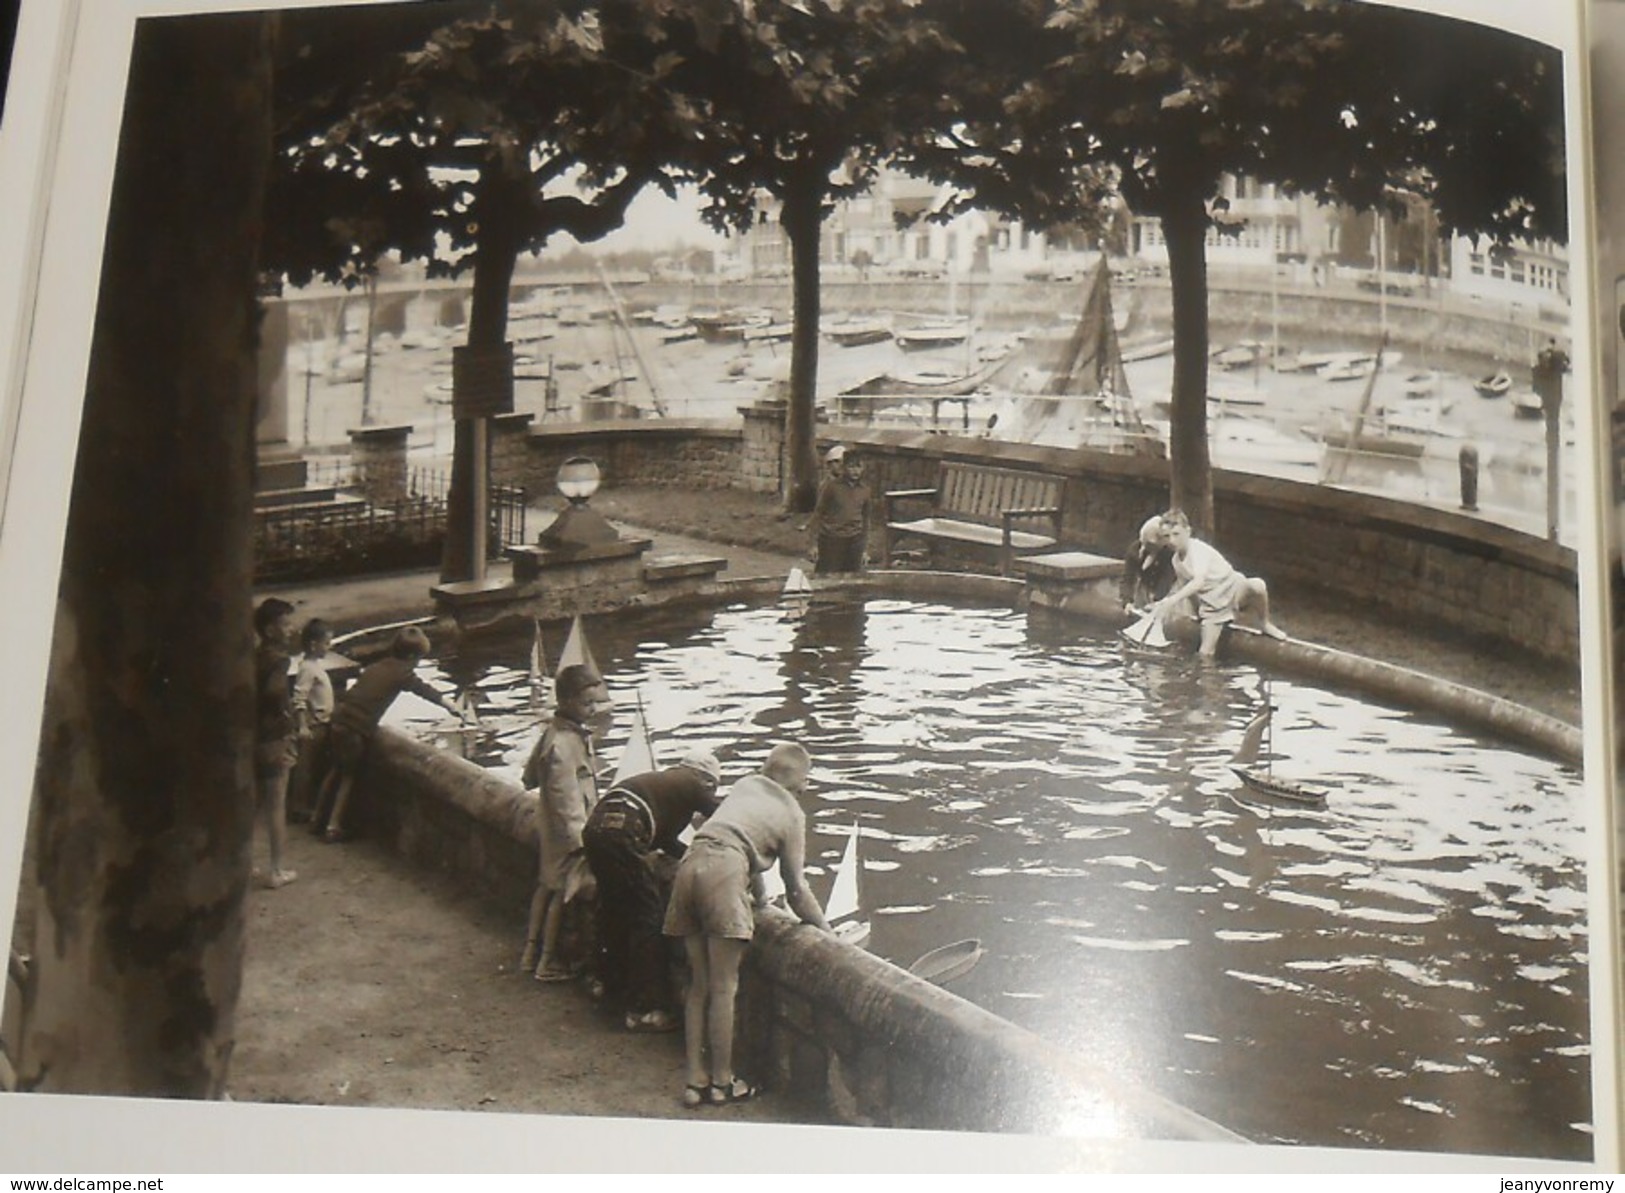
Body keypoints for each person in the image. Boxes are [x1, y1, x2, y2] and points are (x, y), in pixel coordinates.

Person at [662, 740, 831, 1108]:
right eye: (806, 781)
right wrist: (828, 932)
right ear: (797, 781)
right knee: (724, 988)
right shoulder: (792, 814)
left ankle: (695, 1081)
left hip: (690, 865)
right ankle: (722, 1082)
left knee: (699, 985)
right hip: (723, 873)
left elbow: (740, 839)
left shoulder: (744, 786)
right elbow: (797, 890)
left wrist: (759, 897)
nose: (806, 788)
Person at [584, 750, 725, 1033]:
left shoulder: (663, 787)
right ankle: (645, 1007)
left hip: (596, 826)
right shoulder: (692, 783)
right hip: (625, 830)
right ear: (705, 779)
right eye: (712, 786)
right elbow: (727, 816)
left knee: (613, 906)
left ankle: (605, 983)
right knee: (647, 916)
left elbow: (665, 841)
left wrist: (692, 856)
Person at [312, 625, 469, 842]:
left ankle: (316, 816)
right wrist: (450, 706)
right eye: (419, 659)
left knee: (334, 770)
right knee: (348, 777)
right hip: (356, 728)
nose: (417, 665)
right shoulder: (403, 673)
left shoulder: (376, 665)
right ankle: (333, 826)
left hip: (339, 718)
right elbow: (424, 690)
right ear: (413, 657)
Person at [521, 664, 603, 984]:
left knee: (546, 887)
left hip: (548, 824)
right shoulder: (563, 744)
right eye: (587, 704)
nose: (593, 709)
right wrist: (579, 841)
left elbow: (529, 775)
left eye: (595, 703)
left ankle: (531, 954)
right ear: (567, 701)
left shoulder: (554, 734)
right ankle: (547, 960)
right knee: (561, 893)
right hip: (565, 832)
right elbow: (566, 798)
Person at [1151, 509, 1287, 658]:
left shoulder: (1197, 550)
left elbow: (1198, 582)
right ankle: (1207, 678)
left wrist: (1172, 600)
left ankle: (1264, 623)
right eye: (1166, 536)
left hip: (1234, 589)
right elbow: (1188, 589)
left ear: (1187, 531)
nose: (1172, 541)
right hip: (1214, 606)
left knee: (1257, 585)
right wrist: (1198, 615)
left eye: (1176, 534)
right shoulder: (1176, 561)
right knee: (1205, 653)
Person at [253, 598, 299, 890]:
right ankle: (277, 869)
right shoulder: (279, 660)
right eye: (286, 624)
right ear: (270, 630)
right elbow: (275, 694)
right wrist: (288, 719)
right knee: (276, 805)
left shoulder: (255, 656)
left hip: (253, 735)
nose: (292, 629)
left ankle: (246, 863)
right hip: (272, 737)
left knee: (254, 802)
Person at [288, 617, 335, 824]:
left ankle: (304, 805)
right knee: (305, 768)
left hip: (322, 722)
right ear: (314, 645)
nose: (329, 647)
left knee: (311, 766)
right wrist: (302, 725)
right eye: (326, 643)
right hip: (314, 724)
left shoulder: (314, 665)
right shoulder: (307, 668)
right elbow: (299, 697)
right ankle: (299, 807)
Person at [808, 445, 871, 575]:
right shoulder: (831, 487)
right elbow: (818, 514)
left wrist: (864, 549)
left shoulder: (865, 490)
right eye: (851, 466)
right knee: (827, 579)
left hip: (854, 541)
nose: (855, 471)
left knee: (853, 581)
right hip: (832, 541)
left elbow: (866, 520)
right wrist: (813, 544)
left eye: (859, 467)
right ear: (844, 467)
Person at [1121, 513, 1176, 615]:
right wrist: (1127, 601)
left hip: (1169, 590)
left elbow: (1168, 578)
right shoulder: (1134, 550)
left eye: (1150, 546)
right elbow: (1128, 578)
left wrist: (1157, 600)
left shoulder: (1170, 553)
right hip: (1145, 586)